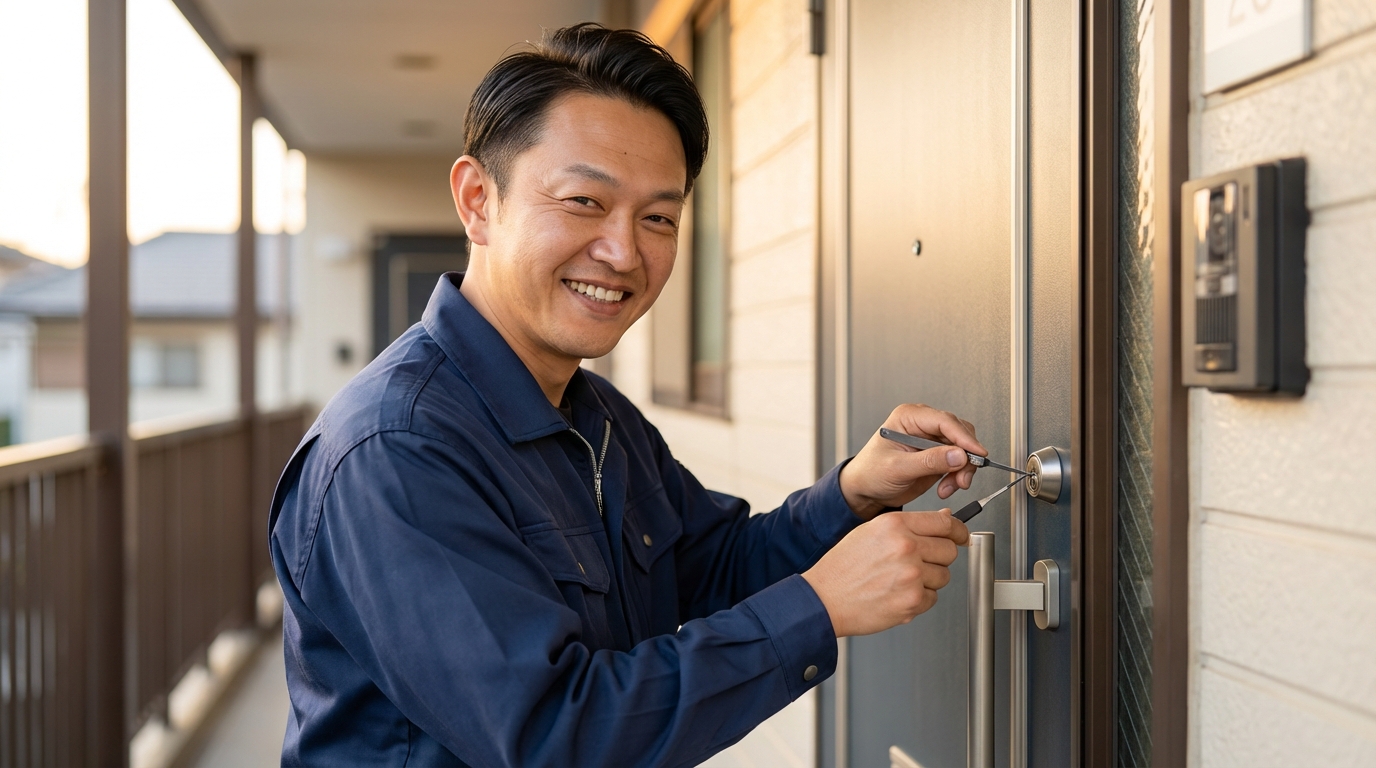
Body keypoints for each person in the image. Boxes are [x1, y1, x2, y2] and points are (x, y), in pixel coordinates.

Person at [269, 23, 988, 767]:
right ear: (478, 200)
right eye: (584, 201)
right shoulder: (396, 449)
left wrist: (855, 493)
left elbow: (710, 569)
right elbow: (554, 735)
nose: (623, 252)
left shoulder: (598, 416)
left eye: (658, 218)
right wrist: (818, 607)